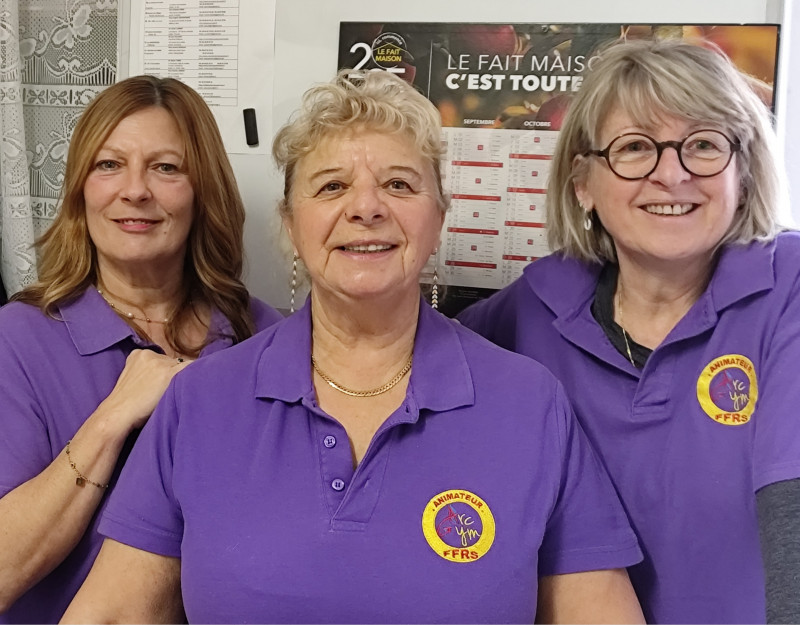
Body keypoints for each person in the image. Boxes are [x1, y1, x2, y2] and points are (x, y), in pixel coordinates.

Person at [63, 69, 644, 624]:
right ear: (291, 224)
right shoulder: (200, 401)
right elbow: (112, 615)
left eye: (398, 184)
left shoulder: (530, 405)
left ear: (438, 218)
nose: (366, 208)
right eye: (332, 186)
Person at [458, 38, 798, 624]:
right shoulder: (533, 306)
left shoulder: (787, 284)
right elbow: (391, 366)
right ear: (582, 183)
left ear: (743, 172)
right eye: (635, 147)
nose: (672, 174)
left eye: (704, 144)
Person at [0, 75, 282, 623]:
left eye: (166, 167)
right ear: (80, 190)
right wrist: (113, 418)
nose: (135, 190)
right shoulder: (20, 338)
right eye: (109, 165)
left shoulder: (263, 336)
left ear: (203, 190)